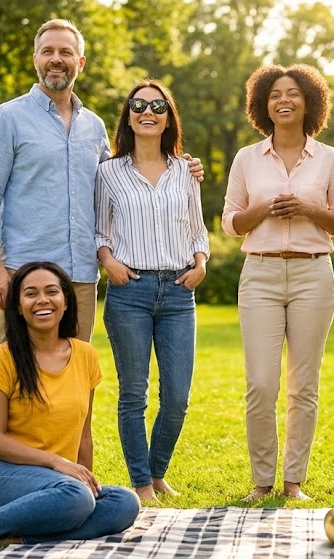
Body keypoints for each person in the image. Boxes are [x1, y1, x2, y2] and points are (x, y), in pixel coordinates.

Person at [0, 19, 202, 345]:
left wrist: (179, 166)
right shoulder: (7, 119)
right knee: (15, 374)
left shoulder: (93, 126)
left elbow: (122, 177)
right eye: (47, 51)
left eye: (65, 52)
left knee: (77, 378)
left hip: (81, 277)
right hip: (23, 274)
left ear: (80, 62)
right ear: (35, 59)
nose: (56, 59)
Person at [0, 261, 140, 554]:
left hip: (54, 484)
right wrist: (57, 464)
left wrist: (84, 481)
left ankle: (9, 539)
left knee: (124, 503)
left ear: (65, 302)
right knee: (75, 496)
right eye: (30, 294)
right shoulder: (1, 358)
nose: (42, 300)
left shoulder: (85, 355)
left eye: (51, 292)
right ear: (18, 307)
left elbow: (84, 435)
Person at [222, 63, 334, 502]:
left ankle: (293, 481)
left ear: (309, 102)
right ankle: (262, 481)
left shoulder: (330, 158)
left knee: (304, 385)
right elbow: (229, 223)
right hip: (259, 274)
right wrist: (263, 210)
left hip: (312, 274)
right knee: (261, 383)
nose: (284, 100)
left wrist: (307, 210)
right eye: (276, 93)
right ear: (263, 103)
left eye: (293, 93)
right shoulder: (246, 158)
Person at [95, 80, 210, 502]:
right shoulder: (108, 171)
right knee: (133, 394)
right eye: (138, 105)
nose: (148, 111)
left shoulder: (185, 170)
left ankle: (157, 472)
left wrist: (201, 264)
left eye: (157, 105)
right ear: (128, 115)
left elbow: (197, 230)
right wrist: (109, 262)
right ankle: (142, 484)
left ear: (167, 117)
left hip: (180, 293)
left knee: (177, 397)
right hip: (131, 292)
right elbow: (98, 230)